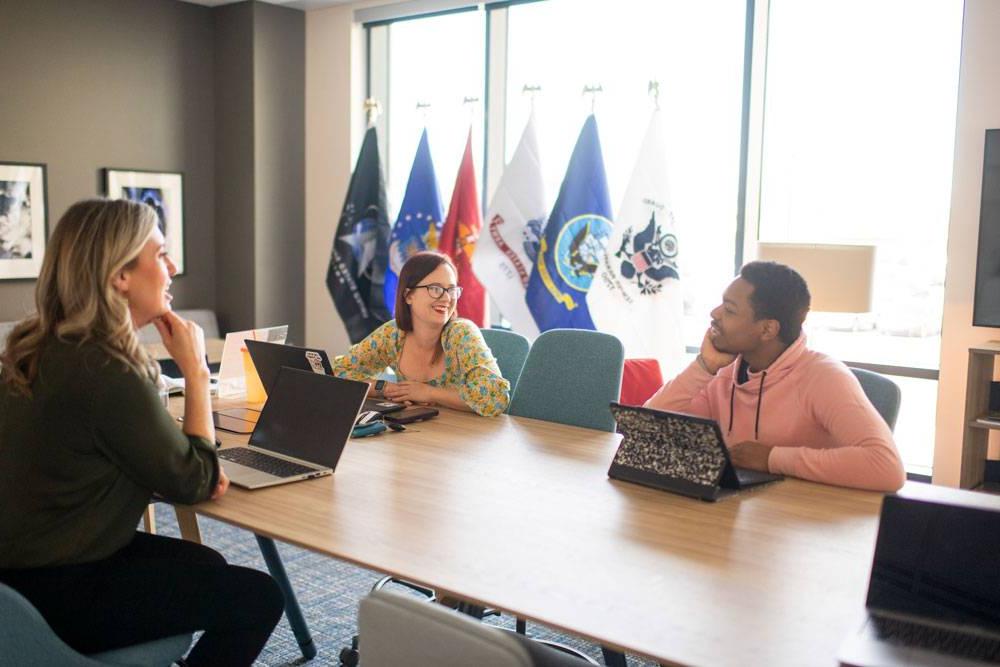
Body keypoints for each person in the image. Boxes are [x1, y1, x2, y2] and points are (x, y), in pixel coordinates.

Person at [0, 199, 284, 666]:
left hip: (20, 569)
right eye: (161, 254)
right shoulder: (105, 369)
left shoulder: (44, 345)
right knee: (257, 598)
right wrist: (195, 371)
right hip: (55, 588)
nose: (172, 269)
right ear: (120, 276)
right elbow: (198, 482)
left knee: (205, 564)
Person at [645, 261, 905, 493]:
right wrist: (703, 367)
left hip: (806, 527)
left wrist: (772, 458)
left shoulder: (824, 377)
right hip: (738, 518)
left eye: (730, 310)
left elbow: (887, 468)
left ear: (768, 329)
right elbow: (645, 429)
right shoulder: (721, 371)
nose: (715, 314)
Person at [333, 251, 509, 417]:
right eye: (435, 289)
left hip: (464, 439)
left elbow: (495, 398)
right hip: (415, 434)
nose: (447, 298)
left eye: (451, 289)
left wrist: (429, 393)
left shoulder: (461, 333)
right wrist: (384, 388)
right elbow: (340, 373)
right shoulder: (393, 334)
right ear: (408, 295)